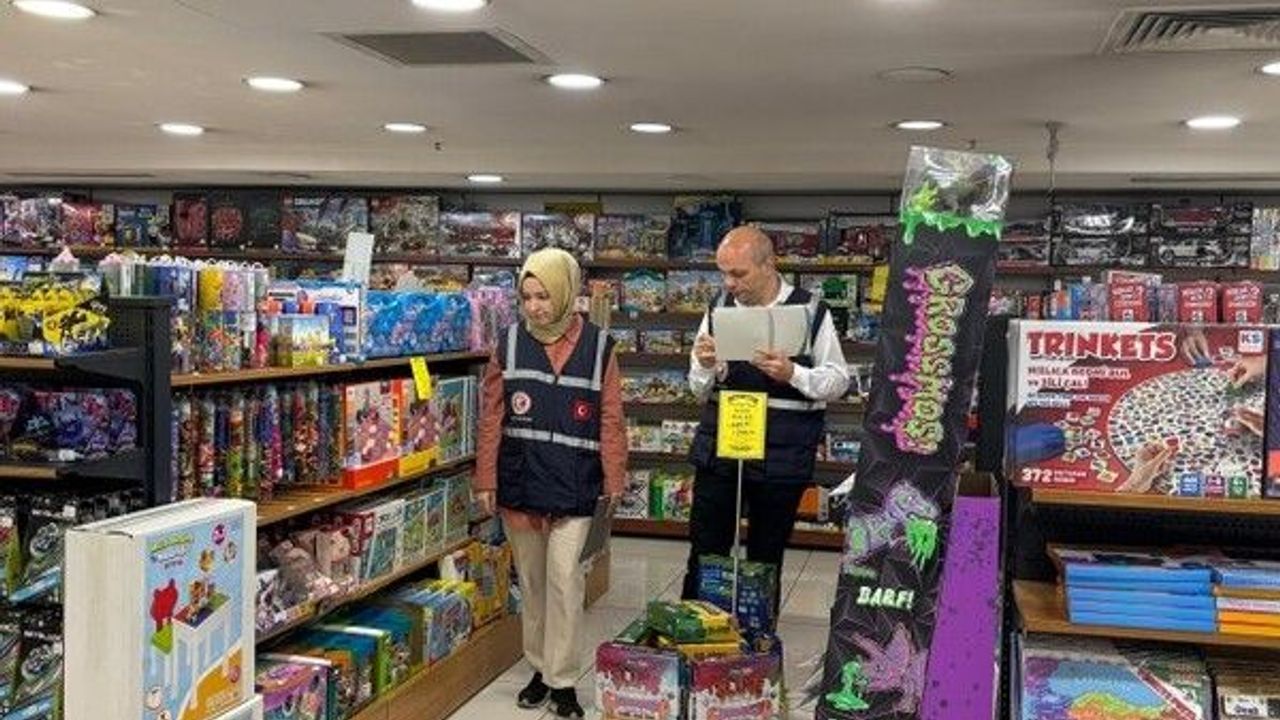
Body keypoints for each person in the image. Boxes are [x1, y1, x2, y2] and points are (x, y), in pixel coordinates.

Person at [474, 248, 626, 719]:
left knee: (565, 582)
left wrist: (615, 479)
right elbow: (491, 416)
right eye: (527, 297)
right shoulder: (508, 342)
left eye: (544, 296)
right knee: (534, 584)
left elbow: (611, 418)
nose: (535, 307)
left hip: (578, 483)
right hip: (522, 481)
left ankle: (563, 680)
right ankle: (539, 669)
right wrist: (485, 478)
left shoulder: (600, 347)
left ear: (565, 292)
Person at [681, 226, 851, 607]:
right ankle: (696, 632)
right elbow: (697, 389)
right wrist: (706, 367)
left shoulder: (810, 310)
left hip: (783, 455)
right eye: (723, 273)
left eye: (738, 274)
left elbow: (838, 380)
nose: (729, 283)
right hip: (722, 451)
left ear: (769, 264)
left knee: (765, 557)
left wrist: (794, 374)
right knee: (705, 551)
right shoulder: (718, 308)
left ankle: (757, 636)